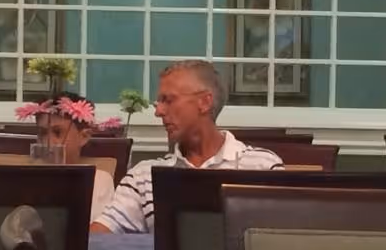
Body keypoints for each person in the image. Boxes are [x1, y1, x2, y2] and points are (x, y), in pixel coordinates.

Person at [91, 60, 283, 234]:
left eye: (168, 100)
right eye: (158, 102)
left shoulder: (264, 167)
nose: (158, 111)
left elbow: (284, 240)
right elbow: (99, 236)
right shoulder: (144, 176)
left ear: (204, 102)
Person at [19, 91, 116, 221]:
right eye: (42, 133)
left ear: (84, 137)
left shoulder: (99, 181)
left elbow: (94, 231)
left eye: (58, 132)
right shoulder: (22, 179)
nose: (49, 142)